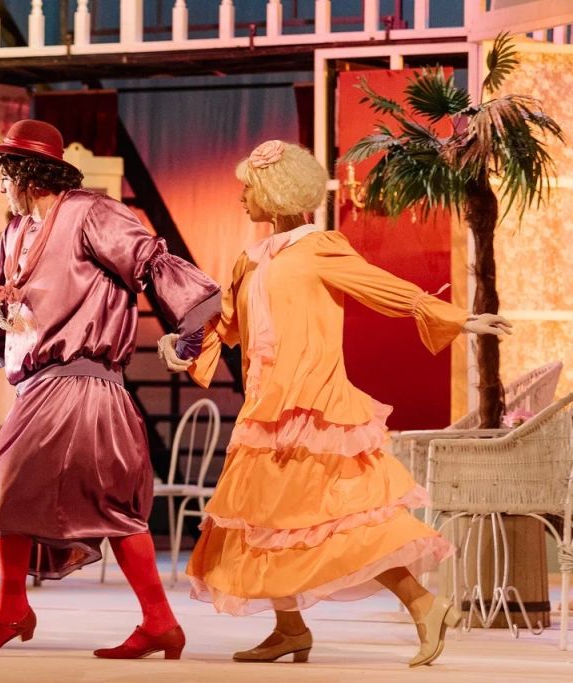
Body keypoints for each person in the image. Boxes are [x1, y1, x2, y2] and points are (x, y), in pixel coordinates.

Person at [156, 139, 512, 667]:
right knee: (266, 522)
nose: (241, 198)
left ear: (274, 191)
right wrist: (181, 346)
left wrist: (459, 318)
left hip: (313, 408)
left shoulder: (319, 247)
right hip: (265, 411)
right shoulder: (249, 260)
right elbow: (227, 325)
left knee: (341, 524)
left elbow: (380, 287)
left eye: (248, 188)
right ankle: (290, 629)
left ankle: (424, 603)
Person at [0, 119, 220, 658]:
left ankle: (11, 610)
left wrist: (191, 324)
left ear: (28, 174)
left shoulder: (89, 212)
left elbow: (148, 260)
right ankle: (159, 621)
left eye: (4, 175)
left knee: (6, 476)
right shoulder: (15, 234)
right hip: (40, 386)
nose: (0, 187)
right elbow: (6, 319)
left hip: (84, 381)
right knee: (104, 502)